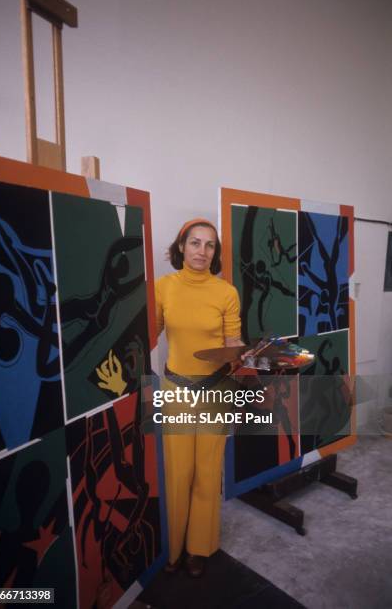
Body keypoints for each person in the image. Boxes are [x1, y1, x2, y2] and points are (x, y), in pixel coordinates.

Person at [155, 218, 243, 578]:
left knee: (207, 472)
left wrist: (246, 356)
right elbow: (145, 334)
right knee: (178, 472)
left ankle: (199, 548)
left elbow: (232, 343)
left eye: (209, 246)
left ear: (215, 253)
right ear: (180, 247)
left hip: (215, 390)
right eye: (195, 243)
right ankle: (172, 549)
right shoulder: (163, 288)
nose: (202, 252)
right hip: (175, 389)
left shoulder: (226, 293)